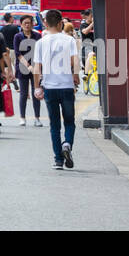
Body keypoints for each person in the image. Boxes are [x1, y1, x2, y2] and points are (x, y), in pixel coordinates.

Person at [33, 9, 80, 170]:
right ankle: (67, 143)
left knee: (54, 125)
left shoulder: (40, 42)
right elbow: (75, 60)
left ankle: (58, 160)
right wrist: (75, 76)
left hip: (50, 88)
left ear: (46, 23)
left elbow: (36, 67)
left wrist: (37, 87)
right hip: (67, 86)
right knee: (69, 121)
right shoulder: (69, 40)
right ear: (61, 23)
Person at [12, 14, 42, 127]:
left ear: (32, 24)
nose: (27, 25)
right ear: (21, 24)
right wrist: (28, 65)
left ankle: (37, 118)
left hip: (36, 68)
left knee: (36, 93)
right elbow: (18, 54)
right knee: (23, 94)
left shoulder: (38, 36)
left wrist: (37, 67)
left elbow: (40, 52)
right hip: (23, 67)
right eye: (25, 23)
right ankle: (22, 118)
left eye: (29, 23)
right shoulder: (18, 37)